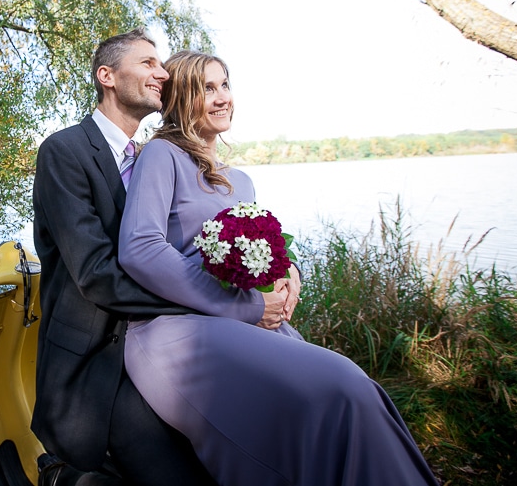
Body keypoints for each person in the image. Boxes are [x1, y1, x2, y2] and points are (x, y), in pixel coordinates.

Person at [117, 50, 439, 486]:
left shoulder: (241, 180)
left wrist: (288, 274)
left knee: (358, 390)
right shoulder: (162, 156)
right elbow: (140, 248)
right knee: (344, 385)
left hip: (246, 321)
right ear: (181, 98)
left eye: (225, 85)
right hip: (178, 331)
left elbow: (261, 251)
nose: (222, 98)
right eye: (206, 88)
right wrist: (246, 308)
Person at [31, 30, 218, 486]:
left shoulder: (162, 159)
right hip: (99, 360)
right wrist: (207, 302)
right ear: (107, 76)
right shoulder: (65, 151)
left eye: (163, 65)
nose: (163, 72)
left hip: (169, 342)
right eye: (149, 63)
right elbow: (94, 274)